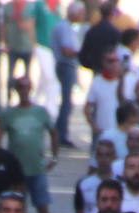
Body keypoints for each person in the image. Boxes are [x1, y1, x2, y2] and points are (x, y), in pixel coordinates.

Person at [2, 75, 60, 213]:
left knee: (43, 207)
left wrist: (54, 157)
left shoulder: (41, 112)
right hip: (16, 171)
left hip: (37, 168)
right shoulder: (9, 114)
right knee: (19, 207)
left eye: (27, 87)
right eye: (21, 87)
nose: (24, 91)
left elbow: (54, 133)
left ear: (31, 89)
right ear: (16, 90)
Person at [52, 3, 85, 147]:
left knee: (67, 102)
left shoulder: (67, 27)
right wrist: (82, 53)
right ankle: (61, 134)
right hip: (66, 65)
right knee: (66, 103)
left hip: (67, 65)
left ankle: (60, 132)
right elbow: (66, 50)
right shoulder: (65, 28)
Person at [85, 48, 127, 139]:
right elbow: (87, 108)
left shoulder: (126, 80)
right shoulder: (97, 81)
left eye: (116, 60)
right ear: (103, 62)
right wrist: (94, 127)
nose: (113, 64)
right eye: (110, 61)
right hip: (102, 133)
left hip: (120, 132)